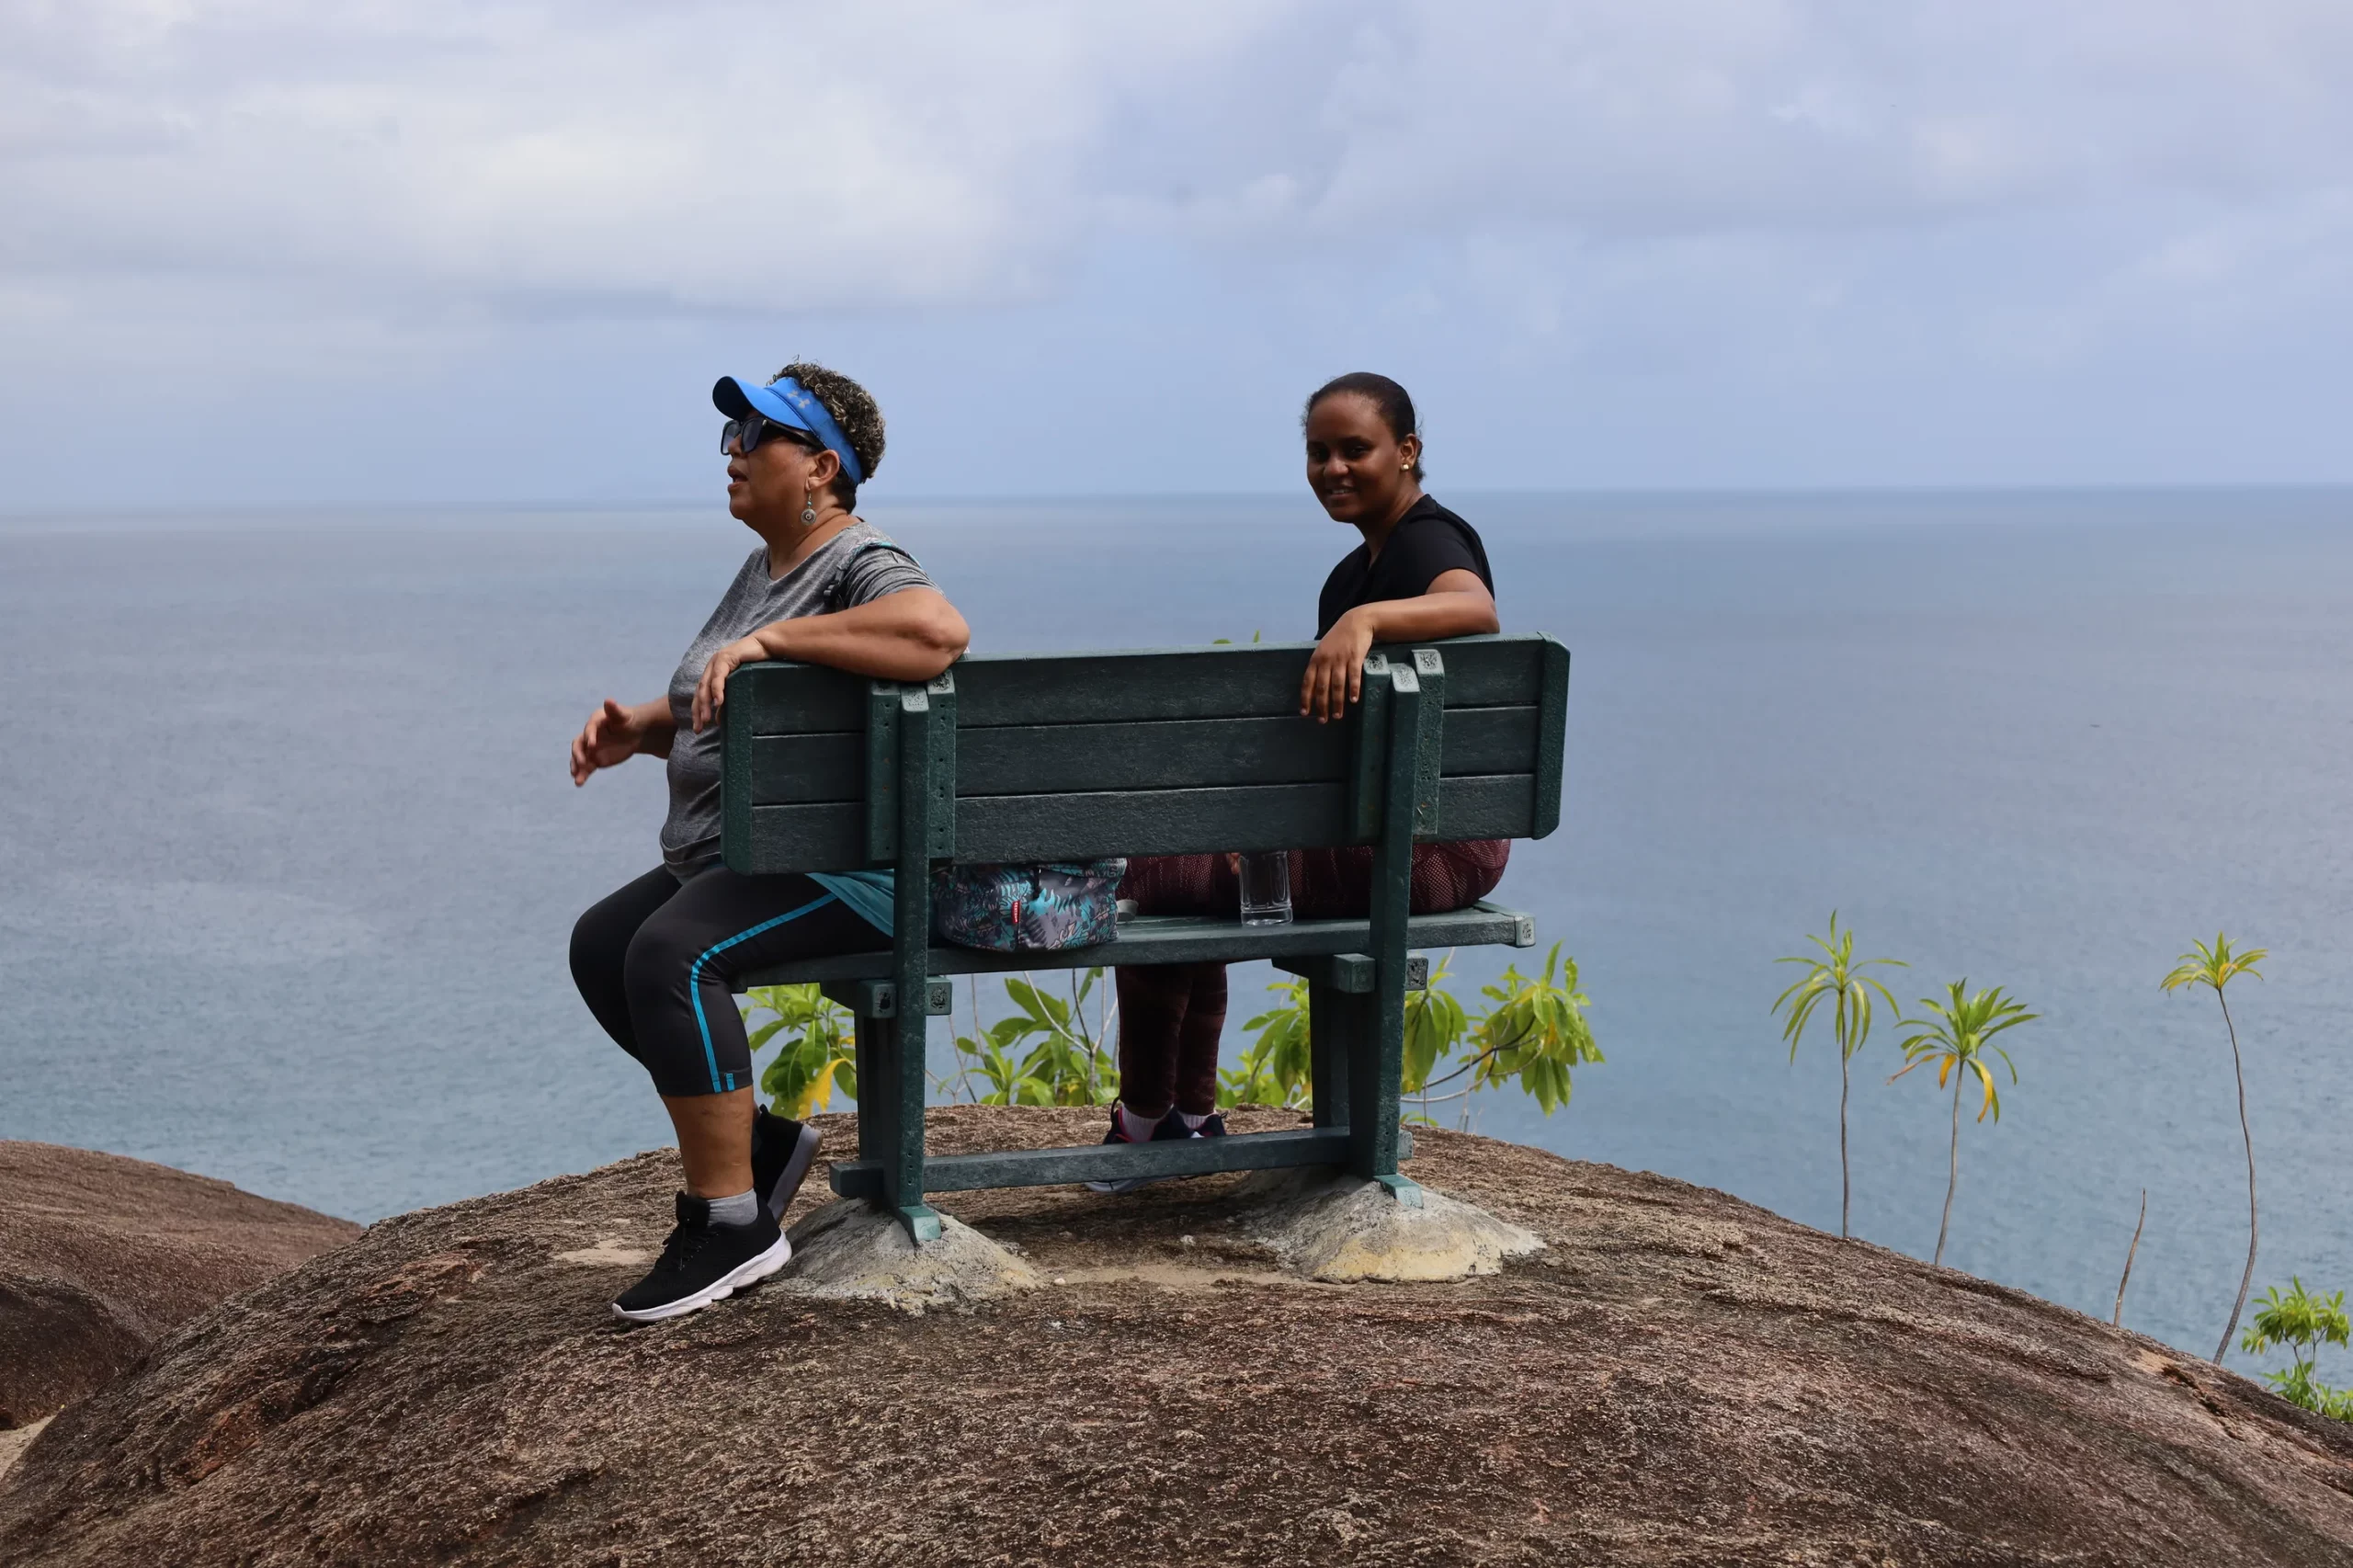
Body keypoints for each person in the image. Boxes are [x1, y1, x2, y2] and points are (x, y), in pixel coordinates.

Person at [568, 363, 969, 1320]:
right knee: (602, 945)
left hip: (845, 866)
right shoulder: (768, 568)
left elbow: (935, 630)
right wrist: (646, 726)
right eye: (730, 435)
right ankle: (761, 1145)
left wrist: (771, 644)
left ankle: (733, 1220)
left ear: (822, 467)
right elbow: (746, 713)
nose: (732, 453)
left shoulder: (859, 560)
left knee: (671, 953)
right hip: (748, 848)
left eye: (755, 436)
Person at [1096, 372, 1506, 1186]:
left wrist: (1366, 620)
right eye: (1319, 453)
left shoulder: (1427, 541)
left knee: (1147, 876)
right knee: (1183, 875)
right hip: (1394, 833)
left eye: (1356, 449)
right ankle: (1184, 1117)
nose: (1333, 469)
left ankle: (1148, 1123)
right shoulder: (1351, 574)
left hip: (1428, 846)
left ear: (1408, 451)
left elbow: (1475, 607)